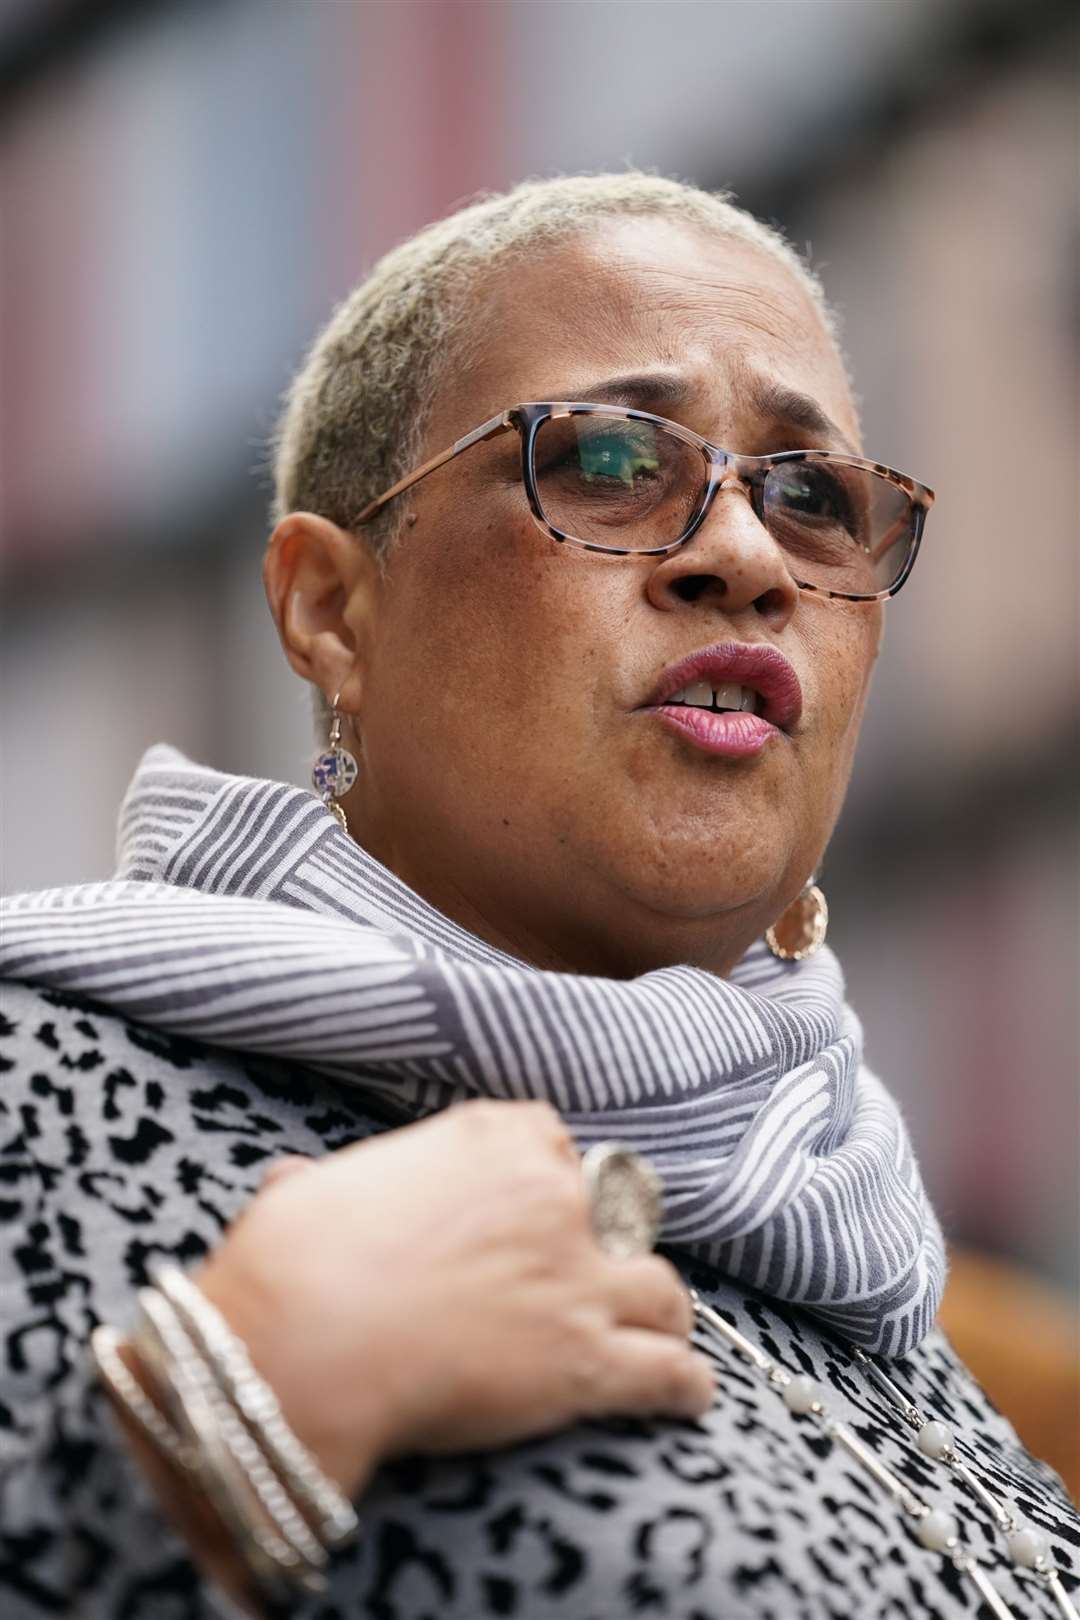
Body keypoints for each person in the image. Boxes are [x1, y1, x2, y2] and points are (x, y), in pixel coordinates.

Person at [1, 172, 1076, 1619]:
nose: (748, 556)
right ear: (332, 608)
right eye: (616, 462)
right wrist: (236, 1410)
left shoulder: (912, 1310)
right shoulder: (42, 1091)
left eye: (814, 497)